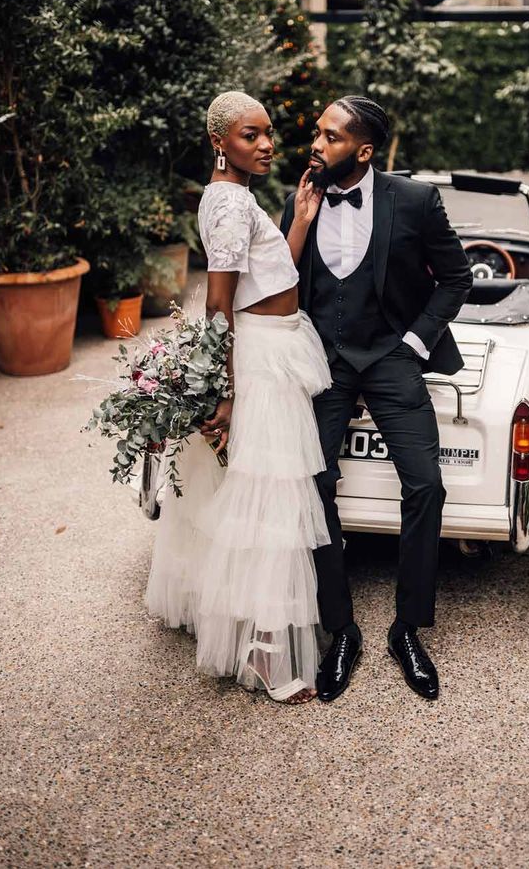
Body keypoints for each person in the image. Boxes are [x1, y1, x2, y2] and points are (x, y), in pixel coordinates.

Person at [280, 96, 473, 702]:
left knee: (426, 485)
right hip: (326, 363)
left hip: (391, 357)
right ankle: (341, 629)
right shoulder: (299, 199)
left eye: (330, 137)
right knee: (313, 484)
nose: (316, 143)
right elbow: (281, 282)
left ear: (363, 151)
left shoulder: (413, 201)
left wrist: (415, 343)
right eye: (317, 132)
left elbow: (457, 278)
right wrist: (301, 222)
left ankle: (408, 628)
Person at [145, 91, 328, 704]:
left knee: (255, 503)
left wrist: (299, 221)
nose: (267, 143)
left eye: (269, 132)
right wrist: (225, 395)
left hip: (275, 345)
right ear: (220, 142)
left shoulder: (238, 198)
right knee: (272, 508)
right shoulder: (226, 203)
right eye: (251, 135)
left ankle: (252, 634)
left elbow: (269, 279)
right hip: (259, 364)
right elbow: (219, 304)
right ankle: (269, 657)